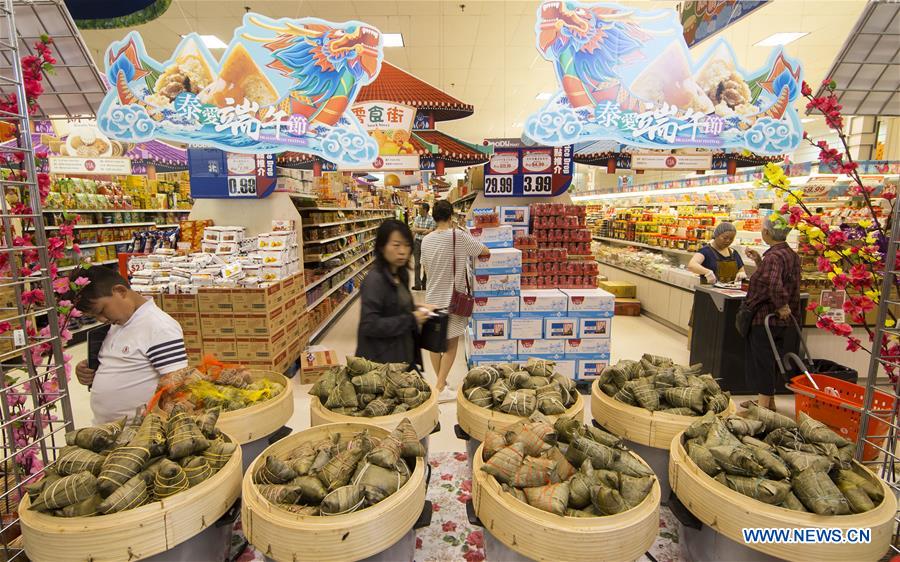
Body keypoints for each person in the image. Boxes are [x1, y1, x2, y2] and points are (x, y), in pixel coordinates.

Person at [71, 265, 188, 424]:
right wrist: (89, 372)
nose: (102, 319)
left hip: (140, 432)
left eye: (102, 310)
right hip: (107, 429)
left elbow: (177, 384)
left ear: (120, 291)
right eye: (95, 316)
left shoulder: (158, 326)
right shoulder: (116, 325)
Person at [421, 200, 490, 402]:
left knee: (434, 343)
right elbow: (484, 250)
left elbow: (425, 266)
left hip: (432, 298)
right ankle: (440, 386)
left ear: (433, 216)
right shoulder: (458, 236)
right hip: (452, 300)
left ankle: (441, 383)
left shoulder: (426, 240)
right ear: (451, 216)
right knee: (451, 344)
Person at [742, 217, 801, 412]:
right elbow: (778, 279)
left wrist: (782, 305)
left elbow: (774, 285)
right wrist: (759, 260)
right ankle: (770, 402)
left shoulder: (774, 257)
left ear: (767, 233)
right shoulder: (790, 254)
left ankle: (762, 407)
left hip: (765, 316)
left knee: (763, 360)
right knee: (774, 358)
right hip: (781, 320)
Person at [356, 219, 433, 367]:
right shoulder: (374, 281)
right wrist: (412, 319)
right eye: (396, 245)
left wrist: (415, 308)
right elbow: (370, 324)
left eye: (407, 245)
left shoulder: (399, 274)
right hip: (381, 366)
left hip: (401, 358)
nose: (403, 251)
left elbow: (393, 308)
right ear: (382, 247)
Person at [411, 202, 436, 291]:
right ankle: (417, 285)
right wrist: (425, 230)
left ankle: (425, 284)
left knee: (426, 264)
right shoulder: (417, 218)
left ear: (425, 210)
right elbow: (414, 229)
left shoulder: (432, 219)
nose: (418, 210)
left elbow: (431, 231)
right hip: (417, 242)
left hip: (428, 243)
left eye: (420, 209)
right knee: (417, 264)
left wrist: (420, 230)